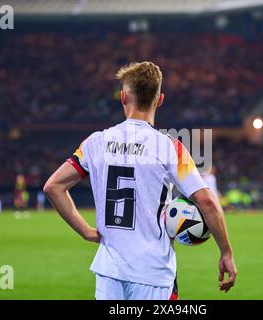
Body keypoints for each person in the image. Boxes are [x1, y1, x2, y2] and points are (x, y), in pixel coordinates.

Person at [44, 62, 237, 300]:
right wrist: (225, 252)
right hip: (153, 274)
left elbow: (53, 187)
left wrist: (85, 231)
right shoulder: (169, 147)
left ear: (123, 97)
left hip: (108, 272)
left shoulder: (95, 142)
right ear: (160, 100)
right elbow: (206, 201)